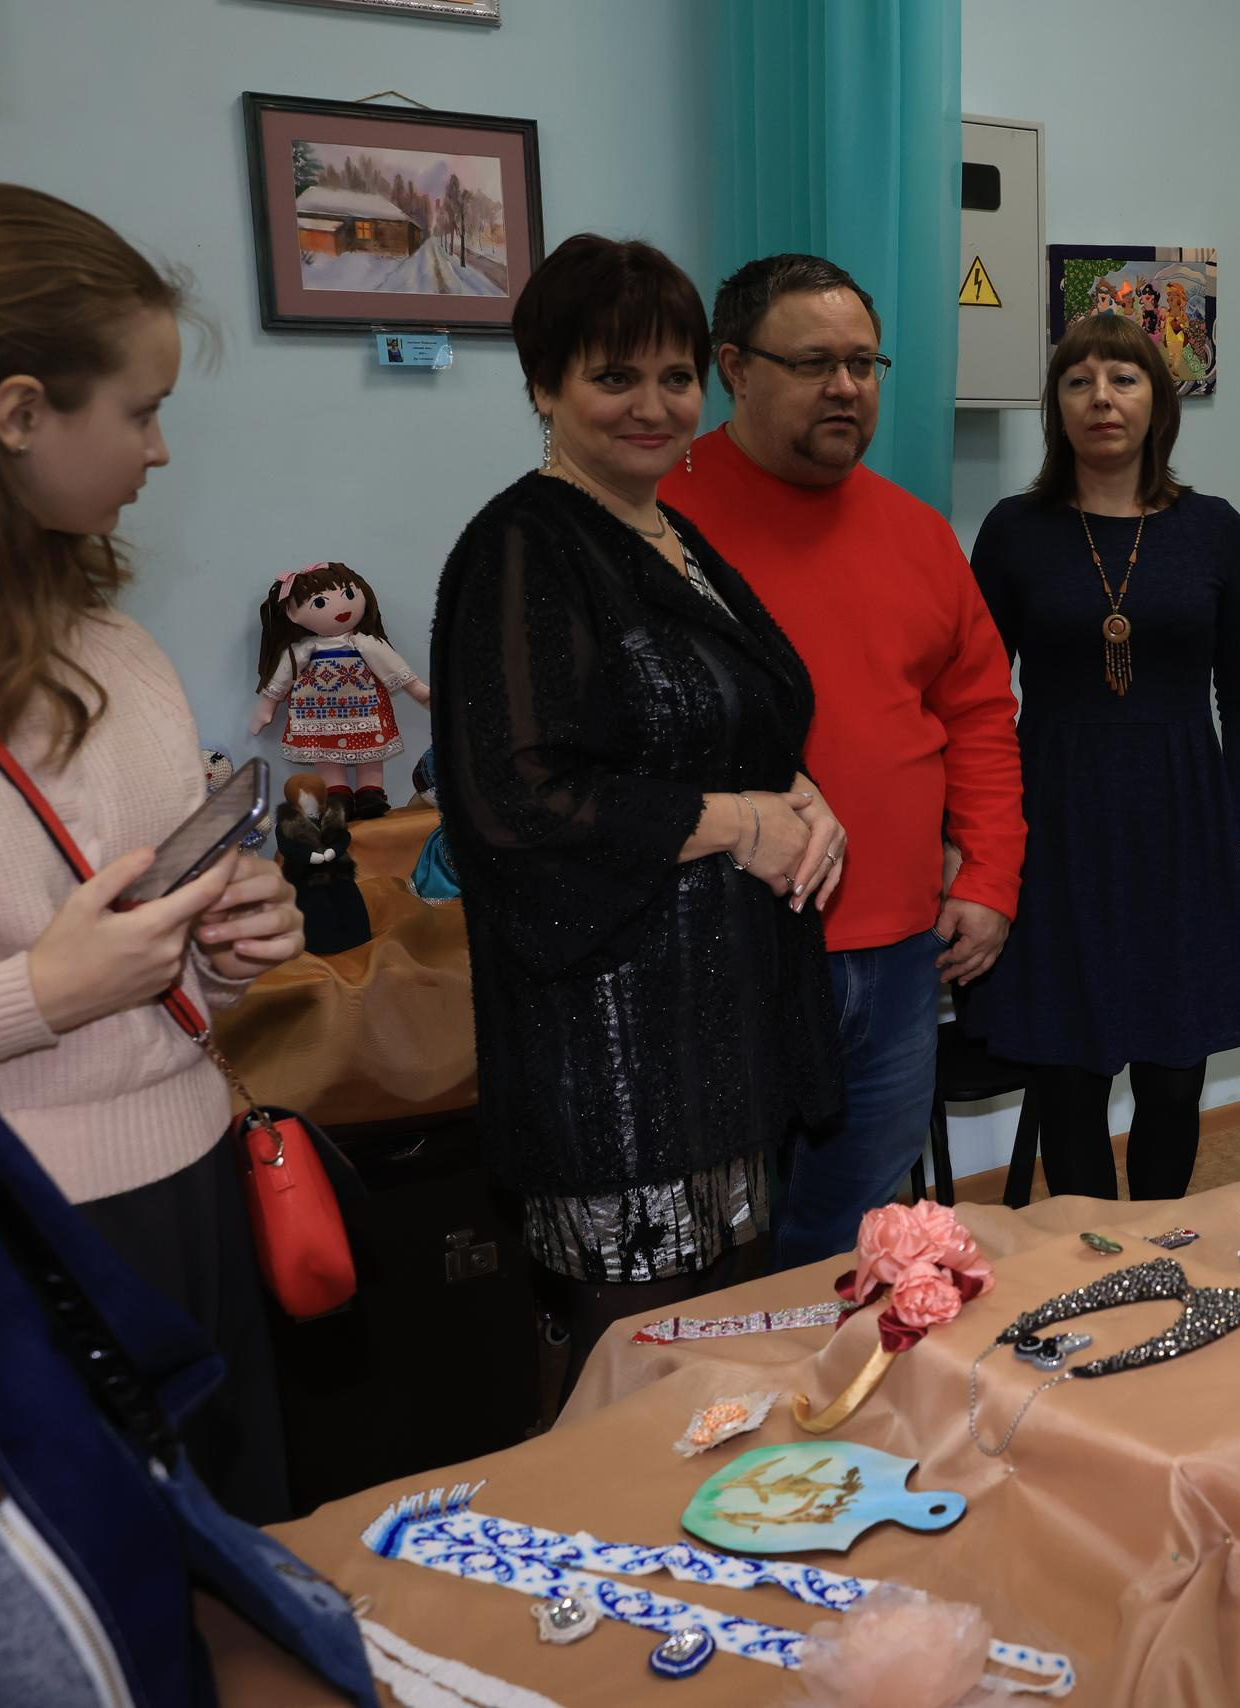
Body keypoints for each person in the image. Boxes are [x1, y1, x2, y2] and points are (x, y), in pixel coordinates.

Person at [0, 182, 308, 1521]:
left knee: (243, 1575)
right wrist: (41, 993)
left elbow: (162, 961)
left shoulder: (121, 656)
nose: (162, 452)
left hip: (192, 1196)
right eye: (140, 412)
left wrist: (232, 943)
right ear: (18, 414)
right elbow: (55, 982)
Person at [431, 235, 843, 1392]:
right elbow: (517, 796)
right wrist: (741, 823)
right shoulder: (522, 543)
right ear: (543, 387)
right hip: (608, 1062)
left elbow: (733, 720)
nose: (654, 407)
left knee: (733, 1376)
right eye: (615, 378)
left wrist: (805, 800)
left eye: (674, 377)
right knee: (636, 1390)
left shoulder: (666, 530)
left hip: (720, 1039)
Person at [662, 253, 1022, 1269]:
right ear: (734, 367)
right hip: (726, 950)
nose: (846, 387)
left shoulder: (915, 533)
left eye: (864, 363)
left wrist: (989, 876)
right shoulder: (657, 524)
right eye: (815, 362)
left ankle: (832, 1417)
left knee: (853, 1236)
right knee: (724, 1246)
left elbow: (982, 717)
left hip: (899, 953)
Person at [967, 311, 1240, 1199]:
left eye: (1124, 378)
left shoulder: (1215, 529)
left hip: (1186, 824)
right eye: (1079, 380)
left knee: (1175, 1073)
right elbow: (976, 698)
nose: (1102, 397)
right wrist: (974, 844)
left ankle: (1159, 1248)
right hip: (1053, 824)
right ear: (1056, 408)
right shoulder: (1014, 530)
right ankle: (1086, 1263)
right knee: (1069, 1070)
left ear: (1158, 403)